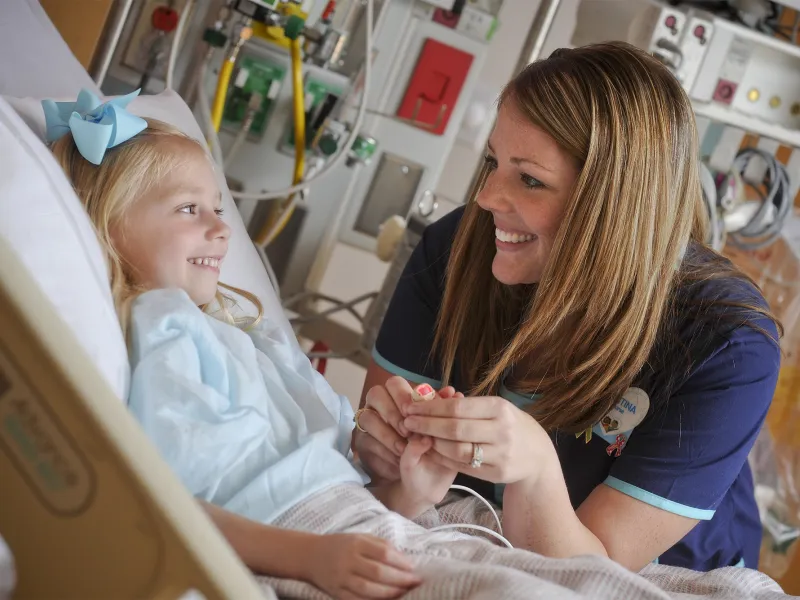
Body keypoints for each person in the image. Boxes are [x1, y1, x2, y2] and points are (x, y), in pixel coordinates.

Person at [353, 41, 782, 572]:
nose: (487, 196)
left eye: (529, 179)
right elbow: (374, 440)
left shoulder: (725, 344)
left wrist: (534, 463)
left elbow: (594, 576)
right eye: (493, 161)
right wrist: (386, 441)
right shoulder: (457, 249)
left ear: (613, 205)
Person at [46, 91, 460, 599]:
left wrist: (408, 491)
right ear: (111, 227)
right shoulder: (168, 331)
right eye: (188, 208)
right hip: (295, 546)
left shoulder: (244, 336)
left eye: (218, 208)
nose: (222, 229)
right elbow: (168, 501)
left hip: (367, 527)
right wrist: (309, 557)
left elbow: (336, 494)